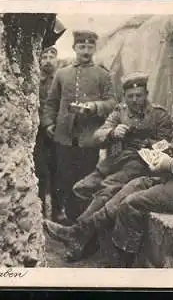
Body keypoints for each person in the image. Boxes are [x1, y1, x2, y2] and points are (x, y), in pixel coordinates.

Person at [43, 53, 173, 267]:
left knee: (132, 203)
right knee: (136, 184)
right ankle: (79, 233)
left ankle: (121, 265)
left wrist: (168, 163)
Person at [44, 72, 173, 261]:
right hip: (116, 161)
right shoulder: (120, 112)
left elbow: (166, 145)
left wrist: (148, 143)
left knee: (106, 189)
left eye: (139, 95)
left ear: (146, 93)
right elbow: (98, 135)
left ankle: (78, 235)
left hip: (141, 164)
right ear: (124, 97)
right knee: (81, 189)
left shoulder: (159, 114)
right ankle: (86, 239)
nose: (135, 100)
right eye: (130, 96)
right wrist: (113, 132)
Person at [42, 30, 117, 223]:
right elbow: (52, 102)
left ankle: (80, 218)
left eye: (90, 47)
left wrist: (94, 107)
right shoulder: (62, 73)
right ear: (75, 48)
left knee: (85, 179)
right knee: (61, 177)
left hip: (89, 137)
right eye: (82, 46)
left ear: (94, 48)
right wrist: (49, 123)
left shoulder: (102, 74)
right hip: (64, 136)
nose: (86, 51)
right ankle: (58, 215)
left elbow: (111, 102)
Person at [33, 46, 60, 220]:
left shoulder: (61, 79)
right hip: (39, 134)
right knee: (41, 172)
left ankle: (57, 213)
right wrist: (46, 124)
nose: (48, 60)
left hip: (58, 132)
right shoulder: (35, 79)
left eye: (52, 56)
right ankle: (40, 212)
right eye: (45, 56)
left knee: (58, 171)